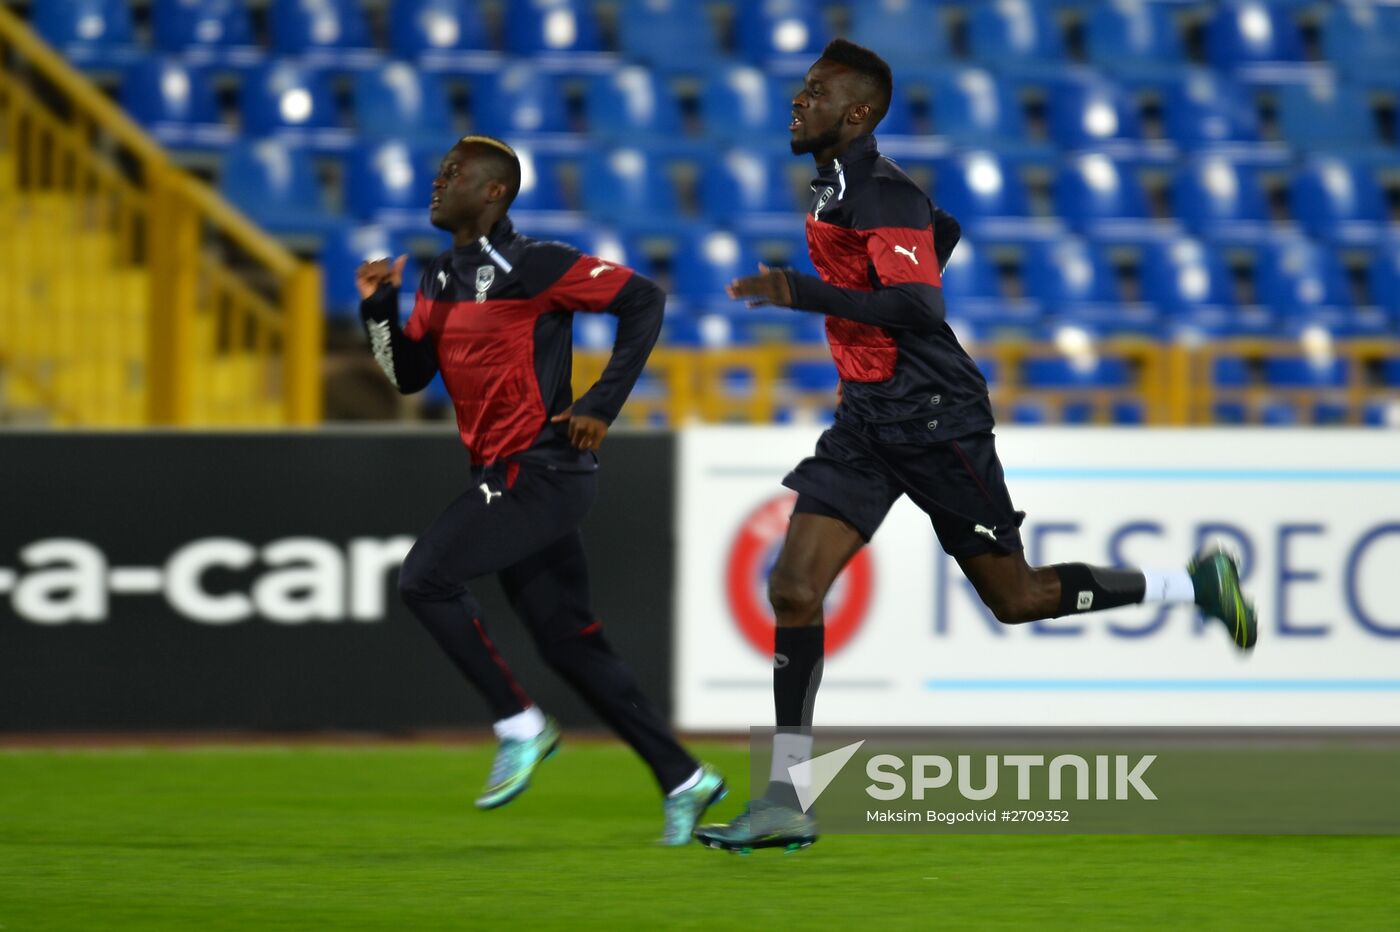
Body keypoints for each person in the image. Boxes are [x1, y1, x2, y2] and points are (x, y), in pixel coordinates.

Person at [695, 40, 1257, 853]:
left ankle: (1192, 583)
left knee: (1017, 598)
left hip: (935, 422)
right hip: (866, 420)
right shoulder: (843, 191)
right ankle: (786, 798)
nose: (796, 102)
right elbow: (941, 231)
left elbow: (918, 307)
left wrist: (801, 291)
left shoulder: (878, 194)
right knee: (792, 589)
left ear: (856, 113)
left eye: (813, 93)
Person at [356, 134, 725, 845]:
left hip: (541, 469)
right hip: (502, 475)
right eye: (438, 172)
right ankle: (684, 777)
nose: (437, 183)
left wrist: (599, 405)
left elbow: (644, 300)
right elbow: (407, 375)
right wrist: (379, 307)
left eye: (452, 174)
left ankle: (520, 725)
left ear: (494, 192)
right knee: (570, 643)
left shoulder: (537, 265)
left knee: (424, 578)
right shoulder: (435, 278)